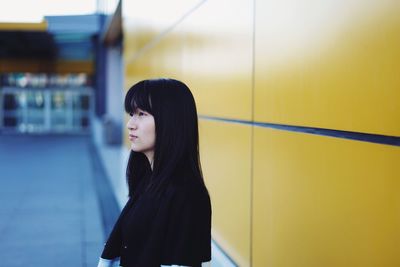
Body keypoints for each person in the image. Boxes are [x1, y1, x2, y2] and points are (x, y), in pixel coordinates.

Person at [97, 78, 212, 267]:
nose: (130, 124)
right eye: (131, 114)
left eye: (141, 114)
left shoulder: (187, 195)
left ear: (170, 121)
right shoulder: (148, 180)